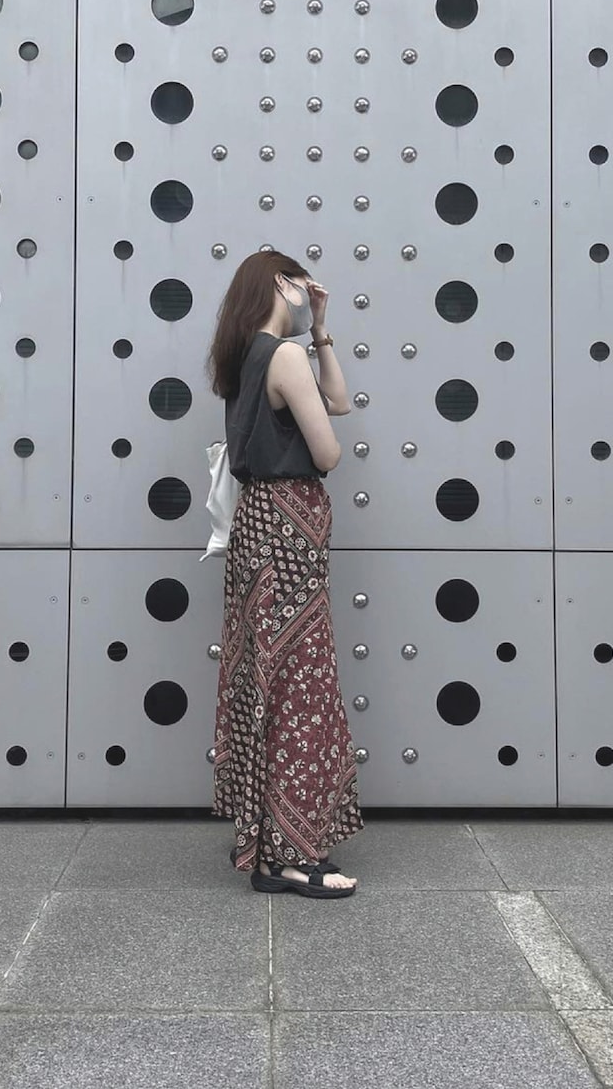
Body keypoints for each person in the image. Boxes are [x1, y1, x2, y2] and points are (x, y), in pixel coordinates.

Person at [205, 251, 364, 899]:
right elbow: (329, 448)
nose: (310, 288)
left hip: (258, 523)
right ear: (281, 283)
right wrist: (308, 338)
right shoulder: (285, 357)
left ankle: (270, 846)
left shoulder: (248, 355)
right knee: (300, 683)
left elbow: (339, 401)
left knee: (266, 678)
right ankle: (294, 856)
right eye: (303, 281)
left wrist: (319, 327)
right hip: (289, 524)